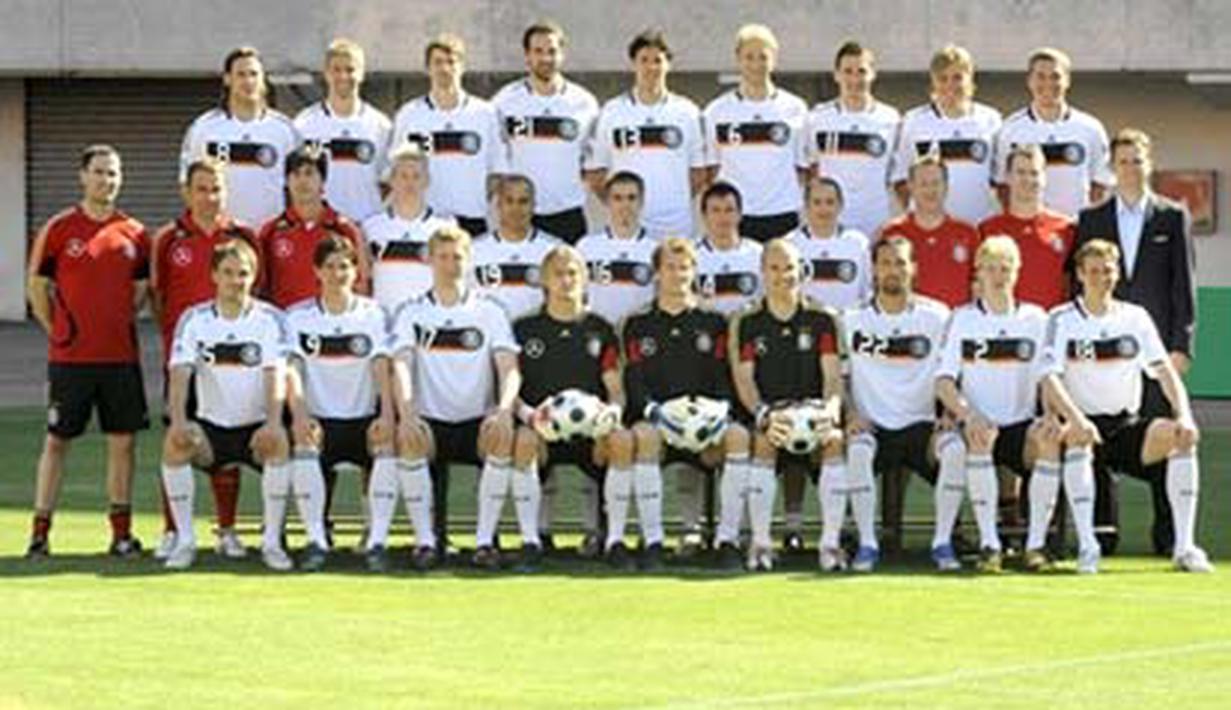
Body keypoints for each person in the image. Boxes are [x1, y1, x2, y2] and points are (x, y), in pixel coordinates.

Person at [1038, 239, 1212, 573]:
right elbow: (1050, 377)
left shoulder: (1136, 317)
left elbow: (1164, 371)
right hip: (1082, 425)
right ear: (1079, 275)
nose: (1100, 278)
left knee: (1180, 437)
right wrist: (1075, 419)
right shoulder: (1061, 319)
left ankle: (1184, 546)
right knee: (1077, 441)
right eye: (1093, 271)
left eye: (1107, 271)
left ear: (1116, 274)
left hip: (1125, 425)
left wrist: (1184, 415)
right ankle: (1088, 547)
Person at [1075, 128, 1196, 555]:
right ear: (1112, 166)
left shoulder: (1171, 216)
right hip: (1105, 357)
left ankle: (1169, 536)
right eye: (1122, 161)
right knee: (1106, 440)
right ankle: (1103, 536)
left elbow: (1184, 285)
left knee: (1164, 440)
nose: (1130, 168)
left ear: (1150, 164)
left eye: (1137, 160)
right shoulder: (1091, 219)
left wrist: (1181, 346)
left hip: (1156, 352)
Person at [25, 145, 149, 559]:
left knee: (123, 444)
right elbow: (37, 287)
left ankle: (121, 534)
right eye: (98, 173)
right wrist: (57, 330)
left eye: (113, 174)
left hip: (120, 359)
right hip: (71, 361)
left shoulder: (134, 233)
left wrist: (112, 322)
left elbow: (139, 292)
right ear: (82, 176)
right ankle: (40, 534)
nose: (106, 180)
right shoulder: (59, 229)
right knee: (57, 441)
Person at [386, 226, 523, 569]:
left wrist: (504, 411)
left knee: (502, 437)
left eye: (457, 257)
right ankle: (425, 543)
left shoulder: (490, 311)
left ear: (469, 260)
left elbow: (509, 368)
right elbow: (400, 367)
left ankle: (483, 543)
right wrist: (406, 413)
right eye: (443, 257)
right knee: (409, 439)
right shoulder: (411, 312)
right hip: (430, 421)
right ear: (429, 260)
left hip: (477, 420)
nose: (450, 265)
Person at [159, 239, 293, 571]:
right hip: (211, 430)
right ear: (214, 276)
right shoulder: (194, 319)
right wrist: (178, 421)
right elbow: (179, 375)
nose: (236, 280)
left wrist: (274, 423)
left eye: (243, 273)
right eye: (229, 273)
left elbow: (275, 375)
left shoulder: (270, 319)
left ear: (255, 276)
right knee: (174, 446)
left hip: (255, 429)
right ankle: (185, 541)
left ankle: (272, 543)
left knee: (280, 445)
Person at [150, 157, 257, 560]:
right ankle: (173, 531)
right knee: (178, 439)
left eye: (216, 189)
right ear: (186, 192)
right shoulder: (168, 238)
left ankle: (226, 530)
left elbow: (253, 289)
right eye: (201, 189)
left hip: (231, 361)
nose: (209, 197)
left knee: (227, 441)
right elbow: (159, 299)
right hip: (186, 361)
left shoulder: (243, 235)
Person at [621, 237, 750, 568]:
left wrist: (720, 412)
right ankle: (653, 542)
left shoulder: (714, 322)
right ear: (657, 273)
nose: (677, 275)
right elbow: (634, 380)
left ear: (694, 272)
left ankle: (727, 540)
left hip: (706, 422)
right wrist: (655, 413)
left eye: (684, 267)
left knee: (738, 437)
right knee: (644, 437)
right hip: (658, 421)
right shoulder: (637, 323)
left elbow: (725, 378)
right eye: (670, 267)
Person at [934, 237, 1055, 573]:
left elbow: (1048, 377)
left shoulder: (1036, 319)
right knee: (979, 438)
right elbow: (943, 382)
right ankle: (990, 545)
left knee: (1048, 441)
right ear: (978, 273)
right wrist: (968, 414)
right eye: (991, 268)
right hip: (980, 423)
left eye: (1006, 268)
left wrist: (1048, 415)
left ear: (1017, 273)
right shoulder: (963, 319)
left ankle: (1036, 545)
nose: (998, 276)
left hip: (1020, 422)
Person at [730, 239, 844, 571]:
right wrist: (764, 415)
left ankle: (830, 545)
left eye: (790, 267)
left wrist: (830, 411)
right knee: (767, 440)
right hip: (771, 415)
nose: (783, 276)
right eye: (775, 268)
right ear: (763, 273)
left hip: (812, 414)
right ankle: (762, 543)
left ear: (801, 271)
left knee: (834, 441)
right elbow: (745, 382)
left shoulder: (823, 318)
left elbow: (833, 379)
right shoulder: (747, 321)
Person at [284, 236, 396, 571]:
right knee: (303, 442)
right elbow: (292, 369)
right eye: (330, 266)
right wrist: (301, 415)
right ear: (317, 271)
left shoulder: (374, 314)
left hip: (362, 418)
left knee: (387, 442)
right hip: (318, 419)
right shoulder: (297, 317)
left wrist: (387, 415)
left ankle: (377, 542)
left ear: (356, 271)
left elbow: (381, 367)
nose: (337, 274)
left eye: (344, 266)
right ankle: (317, 542)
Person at [842, 237, 954, 571]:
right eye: (886, 263)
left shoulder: (938, 317)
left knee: (957, 449)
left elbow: (951, 373)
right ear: (874, 270)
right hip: (872, 425)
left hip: (921, 426)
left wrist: (948, 412)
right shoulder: (851, 319)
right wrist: (849, 413)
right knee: (858, 450)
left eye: (901, 263)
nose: (894, 270)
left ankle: (944, 542)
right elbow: (840, 377)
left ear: (913, 269)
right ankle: (866, 543)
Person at [512, 246, 627, 568]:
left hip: (592, 433)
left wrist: (612, 413)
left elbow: (615, 390)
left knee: (620, 440)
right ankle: (530, 541)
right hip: (542, 429)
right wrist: (529, 416)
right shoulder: (524, 329)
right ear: (545, 281)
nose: (566, 281)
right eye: (558, 274)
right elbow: (511, 389)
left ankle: (613, 540)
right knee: (522, 441)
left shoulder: (600, 330)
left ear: (586, 279)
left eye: (573, 274)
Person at [585, 29, 706, 238]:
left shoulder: (688, 112)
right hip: (628, 228)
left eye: (658, 60)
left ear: (668, 65)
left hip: (675, 227)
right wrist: (621, 206)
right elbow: (595, 173)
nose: (651, 67)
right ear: (633, 64)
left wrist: (674, 200)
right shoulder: (611, 112)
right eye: (644, 60)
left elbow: (699, 174)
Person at [492, 21, 599, 244]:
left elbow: (593, 160)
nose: (545, 58)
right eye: (538, 51)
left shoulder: (584, 103)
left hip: (567, 214)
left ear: (562, 54)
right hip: (520, 215)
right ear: (527, 56)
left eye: (552, 51)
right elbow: (493, 156)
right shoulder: (504, 101)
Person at [389, 33, 505, 237]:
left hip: (472, 219)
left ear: (463, 66)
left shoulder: (485, 114)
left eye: (452, 62)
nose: (445, 69)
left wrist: (476, 200)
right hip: (424, 221)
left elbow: (497, 170)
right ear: (428, 68)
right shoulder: (409, 114)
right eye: (438, 62)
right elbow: (394, 170)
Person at [702, 24, 808, 242]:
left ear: (774, 59)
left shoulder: (795, 108)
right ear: (738, 59)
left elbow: (802, 167)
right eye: (749, 57)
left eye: (763, 56)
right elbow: (711, 169)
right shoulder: (716, 111)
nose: (756, 64)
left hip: (782, 213)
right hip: (735, 217)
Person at [180, 46, 300, 228]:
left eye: (254, 74)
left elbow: (302, 186)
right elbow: (186, 186)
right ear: (228, 79)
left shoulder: (284, 130)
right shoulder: (204, 128)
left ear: (263, 80)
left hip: (271, 237)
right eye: (241, 74)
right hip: (222, 238)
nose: (248, 81)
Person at [994, 47, 1112, 218]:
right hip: (1028, 229)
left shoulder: (1090, 129)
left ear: (1067, 80)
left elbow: (1100, 185)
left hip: (1076, 229)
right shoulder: (1010, 130)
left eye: (1055, 76)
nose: (1048, 83)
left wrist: (1085, 222)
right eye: (1040, 76)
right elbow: (1002, 186)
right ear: (1029, 81)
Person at [892, 44, 1001, 224]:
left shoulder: (991, 120)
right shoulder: (914, 121)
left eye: (958, 77)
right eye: (943, 78)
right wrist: (921, 216)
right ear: (933, 83)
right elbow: (901, 179)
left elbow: (1001, 179)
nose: (950, 85)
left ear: (971, 81)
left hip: (978, 226)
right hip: (929, 228)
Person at [803, 40, 901, 236]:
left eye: (861, 71)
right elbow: (809, 170)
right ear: (836, 75)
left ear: (873, 74)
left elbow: (896, 175)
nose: (855, 78)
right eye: (848, 71)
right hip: (832, 222)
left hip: (875, 221)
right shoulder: (817, 119)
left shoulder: (891, 119)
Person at [294, 38, 392, 223]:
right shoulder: (304, 124)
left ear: (362, 74)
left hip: (366, 226)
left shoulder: (380, 125)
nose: (343, 76)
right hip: (320, 226)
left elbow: (388, 182)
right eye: (336, 70)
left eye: (350, 69)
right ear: (326, 74)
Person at [259, 145, 366, 309]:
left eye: (309, 173)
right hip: (286, 325)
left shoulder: (344, 229)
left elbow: (360, 286)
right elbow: (260, 288)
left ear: (322, 180)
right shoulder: (271, 231)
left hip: (329, 325)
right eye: (296, 174)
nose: (303, 181)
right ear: (287, 182)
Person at [978, 144, 1075, 309]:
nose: (1028, 180)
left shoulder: (1066, 229)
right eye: (1020, 172)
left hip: (1051, 326)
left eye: (1034, 173)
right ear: (1008, 177)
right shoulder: (987, 230)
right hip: (1004, 328)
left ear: (1044, 178)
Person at [362, 145, 457, 311]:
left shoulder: (444, 227)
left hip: (429, 321)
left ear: (426, 181)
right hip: (385, 321)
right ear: (392, 180)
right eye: (403, 176)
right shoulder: (371, 227)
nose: (410, 183)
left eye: (416, 176)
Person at [471, 175, 562, 320]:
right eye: (509, 201)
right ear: (498, 205)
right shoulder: (474, 250)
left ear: (534, 205)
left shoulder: (554, 250)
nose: (516, 208)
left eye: (523, 201)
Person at [576, 171, 657, 327]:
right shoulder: (586, 247)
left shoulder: (655, 249)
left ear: (642, 201)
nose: (625, 205)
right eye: (617, 198)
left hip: (639, 336)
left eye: (631, 198)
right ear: (607, 202)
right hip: (597, 335)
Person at [787, 175, 872, 310]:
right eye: (817, 202)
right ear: (806, 206)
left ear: (840, 205)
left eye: (830, 202)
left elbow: (868, 290)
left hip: (849, 322)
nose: (824, 209)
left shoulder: (858, 243)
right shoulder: (790, 245)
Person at [695, 182, 763, 316]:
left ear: (740, 214)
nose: (723, 217)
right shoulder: (690, 256)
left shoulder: (759, 254)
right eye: (715, 210)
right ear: (704, 215)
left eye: (729, 210)